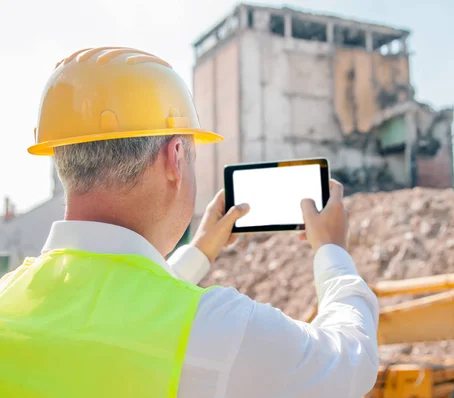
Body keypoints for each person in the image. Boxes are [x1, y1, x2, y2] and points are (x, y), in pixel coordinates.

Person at [0, 47, 379, 398]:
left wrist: (198, 252)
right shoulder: (217, 329)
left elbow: (118, 311)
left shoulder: (9, 298)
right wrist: (332, 254)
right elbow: (349, 363)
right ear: (176, 157)